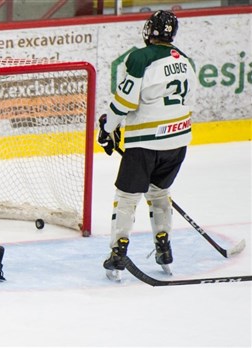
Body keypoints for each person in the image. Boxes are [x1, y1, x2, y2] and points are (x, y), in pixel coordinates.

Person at [98, 10, 196, 279]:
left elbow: (124, 103)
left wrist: (108, 127)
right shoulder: (185, 60)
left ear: (150, 30)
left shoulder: (140, 57)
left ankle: (118, 252)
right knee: (159, 193)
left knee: (127, 197)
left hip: (146, 143)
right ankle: (164, 249)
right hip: (178, 140)